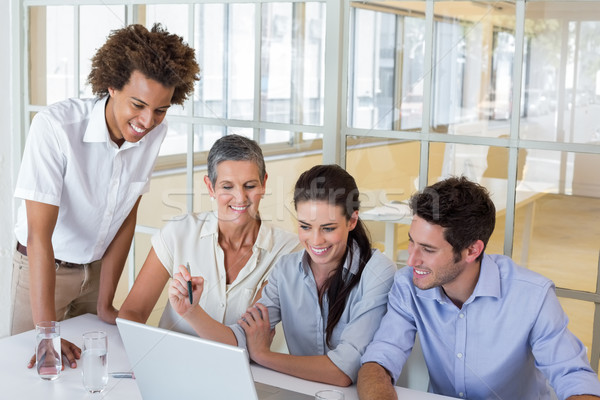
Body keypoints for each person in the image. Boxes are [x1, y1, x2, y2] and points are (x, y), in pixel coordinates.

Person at [11, 23, 200, 370]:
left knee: (90, 375)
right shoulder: (55, 127)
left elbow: (127, 214)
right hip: (41, 272)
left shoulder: (155, 132)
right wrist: (46, 332)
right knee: (34, 376)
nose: (147, 121)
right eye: (139, 105)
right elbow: (39, 236)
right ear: (111, 86)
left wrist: (105, 301)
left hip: (95, 273)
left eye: (161, 109)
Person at [358, 176, 600, 400]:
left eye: (428, 249)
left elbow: (574, 377)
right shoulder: (407, 285)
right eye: (412, 242)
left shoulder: (532, 296)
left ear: (472, 250)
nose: (411, 260)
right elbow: (381, 358)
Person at [168, 164, 396, 386]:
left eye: (328, 228)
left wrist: (264, 356)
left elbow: (343, 371)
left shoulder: (377, 272)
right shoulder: (286, 269)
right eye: (305, 226)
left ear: (352, 221)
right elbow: (240, 341)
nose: (316, 241)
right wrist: (191, 311)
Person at [118, 134, 301, 336]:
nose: (240, 198)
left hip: (244, 368)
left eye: (250, 185)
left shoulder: (287, 251)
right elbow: (132, 312)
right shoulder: (178, 232)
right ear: (210, 187)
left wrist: (191, 311)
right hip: (173, 361)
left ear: (264, 183)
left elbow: (248, 339)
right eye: (227, 186)